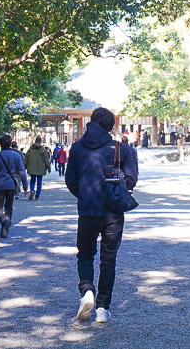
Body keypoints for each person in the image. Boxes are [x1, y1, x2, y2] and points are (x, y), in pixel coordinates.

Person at [65, 107, 138, 324]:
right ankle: (103, 308)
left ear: (91, 122)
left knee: (85, 254)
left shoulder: (77, 147)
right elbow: (131, 179)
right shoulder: (119, 148)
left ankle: (87, 291)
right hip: (113, 212)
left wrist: (85, 194)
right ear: (110, 126)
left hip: (87, 209)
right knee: (108, 260)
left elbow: (71, 179)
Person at [25, 136, 52, 200]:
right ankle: (37, 196)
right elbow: (46, 159)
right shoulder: (43, 149)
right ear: (40, 142)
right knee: (39, 182)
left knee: (32, 181)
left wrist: (24, 167)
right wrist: (48, 167)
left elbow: (26, 159)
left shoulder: (30, 149)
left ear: (35, 141)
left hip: (32, 167)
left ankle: (32, 190)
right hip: (40, 168)